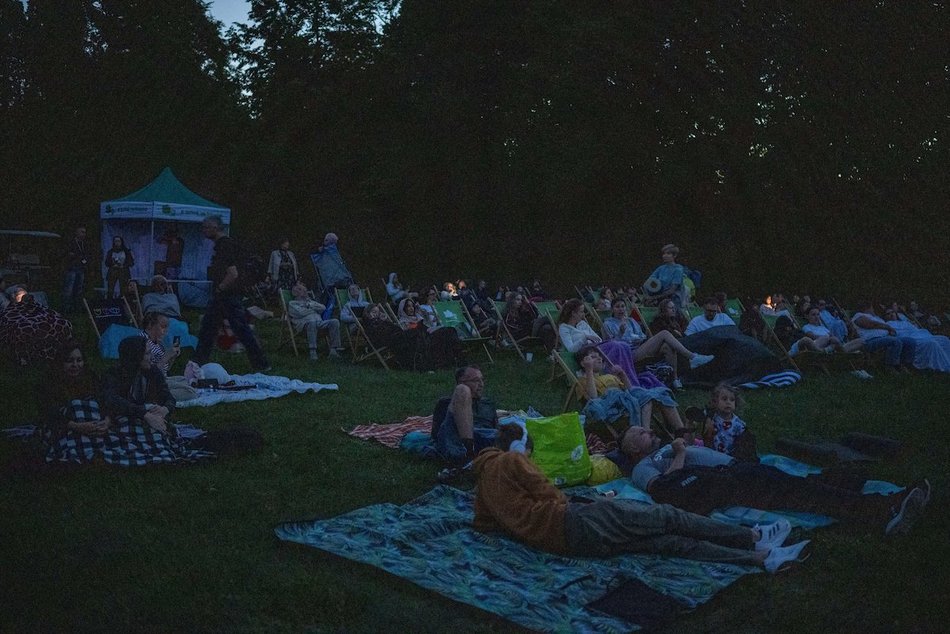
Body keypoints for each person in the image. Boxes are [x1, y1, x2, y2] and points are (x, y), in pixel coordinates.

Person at [473, 423, 810, 573]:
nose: (529, 458)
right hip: (574, 521)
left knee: (668, 543)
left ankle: (762, 559)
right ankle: (752, 536)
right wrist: (568, 504)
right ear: (520, 446)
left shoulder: (483, 483)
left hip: (572, 544)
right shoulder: (511, 459)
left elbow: (483, 524)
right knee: (667, 517)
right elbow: (547, 491)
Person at [621, 426, 930, 536]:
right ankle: (884, 510)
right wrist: (679, 453)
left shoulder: (661, 449)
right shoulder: (643, 467)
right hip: (731, 482)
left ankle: (857, 485)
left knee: (801, 486)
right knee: (804, 494)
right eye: (640, 433)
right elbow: (665, 489)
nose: (649, 431)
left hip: (738, 470)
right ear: (633, 448)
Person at [192, 216, 271, 372]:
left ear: (215, 228)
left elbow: (233, 273)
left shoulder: (224, 246)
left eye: (206, 227)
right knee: (209, 328)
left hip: (227, 295)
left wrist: (221, 287)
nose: (204, 230)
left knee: (238, 329)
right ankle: (198, 362)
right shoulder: (226, 245)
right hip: (226, 295)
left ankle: (262, 364)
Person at [601, 298, 712, 388]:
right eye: (617, 307)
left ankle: (675, 379)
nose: (621, 309)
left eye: (623, 306)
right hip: (628, 353)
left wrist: (640, 338)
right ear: (612, 309)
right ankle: (692, 357)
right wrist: (620, 333)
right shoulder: (608, 324)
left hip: (640, 346)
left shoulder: (631, 321)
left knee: (667, 346)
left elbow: (642, 336)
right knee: (664, 333)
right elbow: (610, 346)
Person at [575, 345, 685, 432]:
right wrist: (589, 370)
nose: (599, 358)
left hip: (627, 397)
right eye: (593, 357)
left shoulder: (609, 376)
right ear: (584, 363)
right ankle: (645, 433)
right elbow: (593, 399)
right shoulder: (583, 381)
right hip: (614, 405)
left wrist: (622, 374)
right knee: (647, 400)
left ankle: (681, 431)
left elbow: (630, 389)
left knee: (662, 394)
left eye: (599, 356)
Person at [103, 336, 176, 434]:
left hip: (147, 414)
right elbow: (113, 399)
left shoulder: (152, 371)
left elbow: (168, 396)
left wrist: (165, 409)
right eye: (147, 353)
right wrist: (144, 414)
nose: (151, 357)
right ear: (136, 356)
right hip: (126, 417)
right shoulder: (115, 373)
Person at [433, 366, 499, 465]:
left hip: (483, 439)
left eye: (482, 380)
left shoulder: (488, 404)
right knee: (462, 390)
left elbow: (495, 430)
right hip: (457, 440)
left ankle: (473, 456)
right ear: (461, 382)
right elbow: (438, 434)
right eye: (475, 380)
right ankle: (468, 451)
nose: (481, 384)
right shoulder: (446, 402)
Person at [850, 301, 915, 372]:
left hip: (885, 338)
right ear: (868, 308)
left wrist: (889, 331)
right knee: (895, 341)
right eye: (872, 308)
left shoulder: (877, 318)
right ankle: (890, 367)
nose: (873, 310)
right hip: (870, 341)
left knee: (910, 341)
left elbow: (880, 326)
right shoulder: (858, 315)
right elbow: (870, 324)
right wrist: (888, 327)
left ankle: (904, 364)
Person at [700, 383, 758, 461]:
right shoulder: (711, 417)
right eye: (724, 399)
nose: (728, 402)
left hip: (730, 458)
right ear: (715, 402)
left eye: (732, 400)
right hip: (712, 455)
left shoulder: (739, 425)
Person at [883, 307, 950, 373]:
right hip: (910, 337)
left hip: (920, 334)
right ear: (885, 317)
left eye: (892, 312)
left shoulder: (904, 322)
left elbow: (916, 329)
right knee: (931, 343)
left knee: (944, 339)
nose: (891, 314)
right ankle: (943, 365)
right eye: (888, 314)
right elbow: (893, 334)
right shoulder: (887, 324)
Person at [287, 281, 342, 360]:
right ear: (295, 293)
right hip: (304, 326)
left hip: (320, 324)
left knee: (335, 322)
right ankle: (313, 352)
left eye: (305, 290)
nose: (305, 292)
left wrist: (309, 305)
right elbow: (301, 313)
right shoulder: (292, 303)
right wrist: (314, 309)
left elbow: (323, 308)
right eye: (301, 290)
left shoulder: (311, 302)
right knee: (312, 323)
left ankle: (333, 350)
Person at [643, 244, 687, 308]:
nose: (665, 256)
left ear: (674, 256)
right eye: (664, 253)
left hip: (673, 300)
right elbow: (647, 283)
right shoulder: (660, 268)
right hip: (659, 298)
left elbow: (672, 290)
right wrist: (648, 296)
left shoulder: (678, 269)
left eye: (668, 254)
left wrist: (653, 298)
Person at [63, 226, 89, 313]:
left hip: (81, 268)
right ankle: (67, 307)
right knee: (69, 288)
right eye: (82, 232)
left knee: (79, 289)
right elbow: (68, 254)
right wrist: (77, 256)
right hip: (72, 268)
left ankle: (77, 307)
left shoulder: (85, 244)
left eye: (84, 232)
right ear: (76, 232)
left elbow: (86, 255)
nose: (84, 234)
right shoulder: (71, 243)